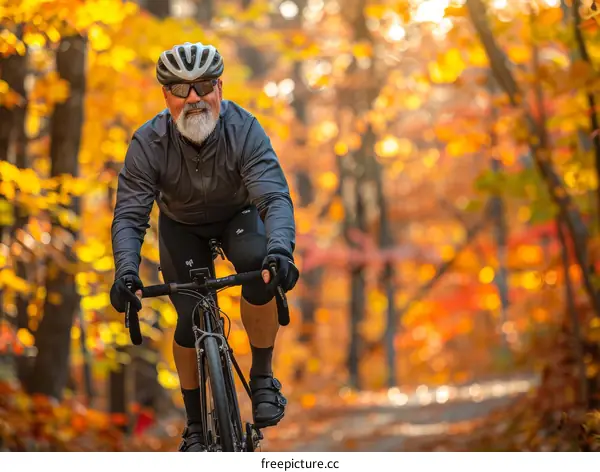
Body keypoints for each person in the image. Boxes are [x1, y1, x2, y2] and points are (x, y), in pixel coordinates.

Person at [109, 42, 299, 452]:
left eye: (204, 86)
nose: (194, 98)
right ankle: (195, 426)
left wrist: (281, 250)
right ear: (166, 97)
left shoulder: (245, 129)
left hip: (238, 217)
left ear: (220, 89)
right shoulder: (148, 143)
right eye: (181, 89)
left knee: (258, 265)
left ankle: (263, 379)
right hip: (182, 227)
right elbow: (129, 216)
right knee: (187, 312)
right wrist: (125, 271)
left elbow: (273, 198)